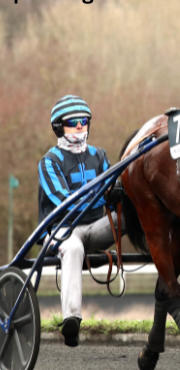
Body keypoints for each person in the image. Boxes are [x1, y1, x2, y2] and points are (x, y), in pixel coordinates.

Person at [38, 95, 119, 347]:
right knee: (73, 248)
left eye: (84, 120)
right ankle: (71, 319)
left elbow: (112, 194)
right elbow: (66, 202)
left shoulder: (100, 155)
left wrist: (117, 196)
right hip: (63, 230)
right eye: (73, 122)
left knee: (131, 217)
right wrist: (103, 197)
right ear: (58, 127)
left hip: (97, 228)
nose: (80, 126)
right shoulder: (49, 162)